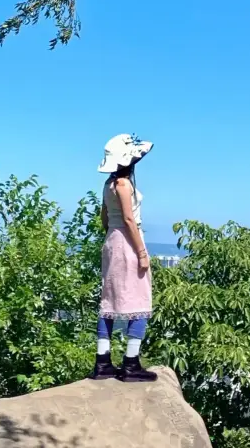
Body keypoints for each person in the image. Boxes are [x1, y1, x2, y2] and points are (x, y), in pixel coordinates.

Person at [90, 133, 158, 383]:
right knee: (139, 300)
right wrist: (141, 252)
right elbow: (130, 219)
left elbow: (104, 218)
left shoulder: (108, 185)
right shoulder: (123, 185)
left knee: (109, 300)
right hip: (128, 241)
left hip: (111, 241)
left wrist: (114, 230)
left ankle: (102, 362)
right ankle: (131, 364)